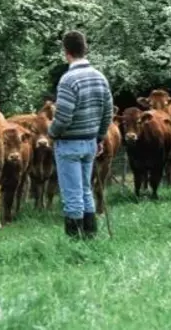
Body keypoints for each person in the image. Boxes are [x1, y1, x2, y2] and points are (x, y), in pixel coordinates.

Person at [48, 30, 113, 239]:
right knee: (86, 190)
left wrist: (52, 133)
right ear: (85, 49)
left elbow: (64, 116)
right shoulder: (99, 77)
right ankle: (90, 236)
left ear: (66, 52)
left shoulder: (68, 80)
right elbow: (108, 111)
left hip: (69, 144)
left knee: (71, 195)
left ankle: (74, 241)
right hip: (90, 142)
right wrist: (100, 137)